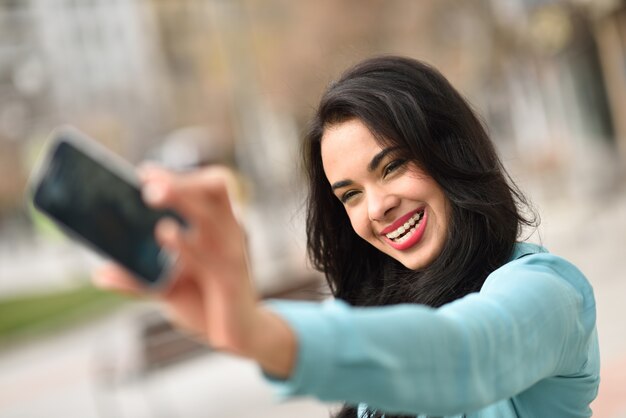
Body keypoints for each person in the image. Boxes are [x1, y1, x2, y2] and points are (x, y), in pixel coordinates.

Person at [94, 56, 600, 418]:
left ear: (453, 154)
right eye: (350, 194)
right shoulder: (379, 309)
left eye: (394, 165)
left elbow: (467, 355)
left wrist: (255, 328)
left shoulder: (546, 290)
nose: (377, 208)